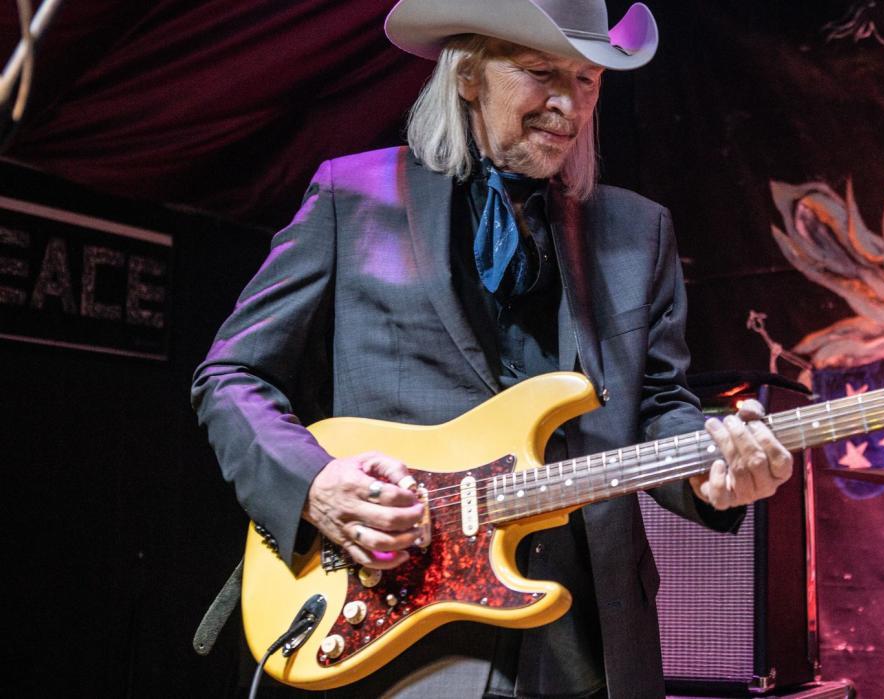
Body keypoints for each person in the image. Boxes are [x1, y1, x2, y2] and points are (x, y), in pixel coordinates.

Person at [191, 0, 793, 696]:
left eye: (589, 80)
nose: (568, 105)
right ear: (469, 74)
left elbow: (660, 405)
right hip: (396, 627)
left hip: (583, 642)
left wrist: (711, 474)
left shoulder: (638, 234)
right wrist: (313, 485)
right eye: (540, 72)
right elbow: (230, 373)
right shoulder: (350, 200)